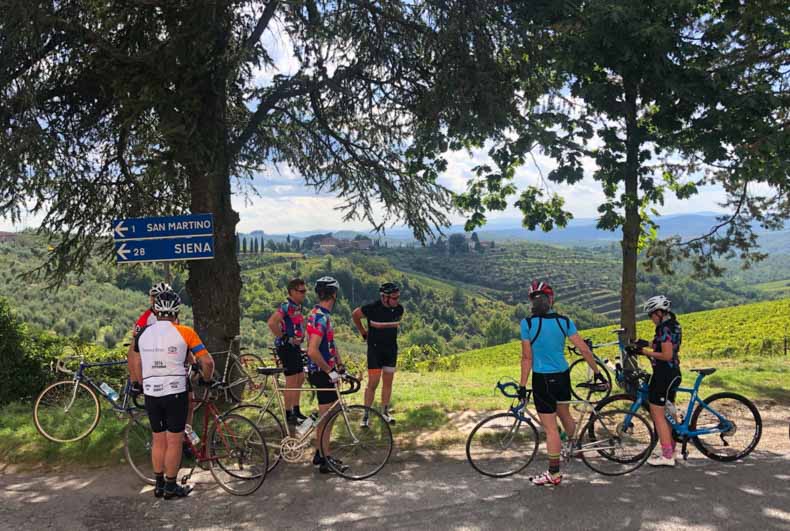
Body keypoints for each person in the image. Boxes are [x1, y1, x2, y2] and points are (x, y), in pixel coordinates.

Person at [518, 280, 607, 486]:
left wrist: (522, 386)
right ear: (551, 300)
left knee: (550, 429)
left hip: (542, 379)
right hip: (562, 375)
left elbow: (526, 359)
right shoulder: (564, 321)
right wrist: (597, 372)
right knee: (565, 414)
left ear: (532, 302)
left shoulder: (528, 324)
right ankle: (572, 446)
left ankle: (554, 473)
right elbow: (584, 349)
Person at [130, 291, 215, 499]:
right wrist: (207, 379)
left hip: (151, 392)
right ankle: (170, 486)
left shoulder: (142, 333)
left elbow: (135, 362)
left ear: (156, 310)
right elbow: (207, 362)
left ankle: (158, 485)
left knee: (158, 439)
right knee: (174, 441)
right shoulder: (185, 332)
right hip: (175, 391)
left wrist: (139, 384)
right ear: (176, 310)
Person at [305, 276, 348, 474]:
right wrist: (329, 371)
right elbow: (312, 350)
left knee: (326, 415)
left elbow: (330, 344)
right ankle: (325, 459)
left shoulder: (317, 313)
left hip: (322, 371)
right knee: (328, 416)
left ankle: (320, 453)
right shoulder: (321, 317)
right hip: (321, 372)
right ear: (334, 295)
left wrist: (339, 364)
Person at [352, 282, 404, 426]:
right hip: (375, 351)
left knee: (388, 383)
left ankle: (385, 411)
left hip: (391, 350)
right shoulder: (372, 308)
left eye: (398, 297)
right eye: (393, 298)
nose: (397, 300)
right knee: (373, 383)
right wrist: (363, 332)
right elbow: (355, 315)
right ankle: (366, 415)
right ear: (384, 297)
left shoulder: (399, 309)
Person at [640, 295, 683, 467]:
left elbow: (666, 354)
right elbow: (664, 344)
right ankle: (671, 449)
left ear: (659, 312)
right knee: (669, 410)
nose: (651, 319)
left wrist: (644, 352)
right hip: (673, 373)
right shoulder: (673, 325)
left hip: (663, 373)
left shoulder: (663, 328)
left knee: (657, 413)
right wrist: (645, 343)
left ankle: (667, 456)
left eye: (651, 315)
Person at [267, 278, 308, 426]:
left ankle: (296, 410)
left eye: (305, 290)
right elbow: (272, 323)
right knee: (292, 380)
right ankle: (289, 414)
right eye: (301, 291)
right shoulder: (286, 306)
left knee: (300, 377)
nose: (304, 293)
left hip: (294, 346)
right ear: (292, 292)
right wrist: (286, 338)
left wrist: (301, 334)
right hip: (286, 347)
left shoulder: (298, 306)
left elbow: (298, 322)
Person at [127, 282, 171, 386]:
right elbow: (133, 351)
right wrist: (136, 382)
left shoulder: (173, 315)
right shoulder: (146, 319)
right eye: (153, 298)